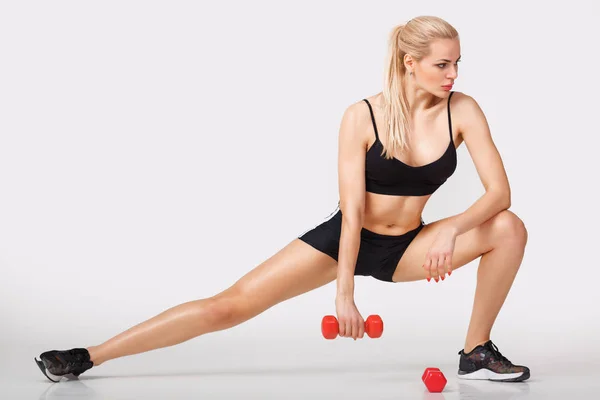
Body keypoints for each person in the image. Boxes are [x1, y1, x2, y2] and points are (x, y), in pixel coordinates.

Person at [35, 15, 530, 383]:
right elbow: (352, 211)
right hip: (343, 238)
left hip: (409, 246)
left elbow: (499, 194)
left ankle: (475, 350)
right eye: (442, 64)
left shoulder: (463, 111)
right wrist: (344, 293)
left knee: (510, 227)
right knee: (226, 307)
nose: (453, 75)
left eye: (458, 63)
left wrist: (449, 227)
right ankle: (89, 356)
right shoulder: (362, 116)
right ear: (410, 63)